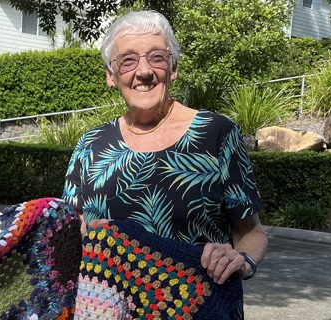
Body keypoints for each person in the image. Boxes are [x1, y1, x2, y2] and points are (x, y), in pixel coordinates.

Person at [62, 10, 267, 319]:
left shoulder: (217, 134)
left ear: (173, 68)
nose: (144, 71)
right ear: (110, 75)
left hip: (200, 307)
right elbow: (67, 229)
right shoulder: (91, 145)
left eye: (157, 57)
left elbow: (251, 231)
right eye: (128, 61)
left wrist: (242, 259)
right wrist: (85, 234)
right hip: (108, 311)